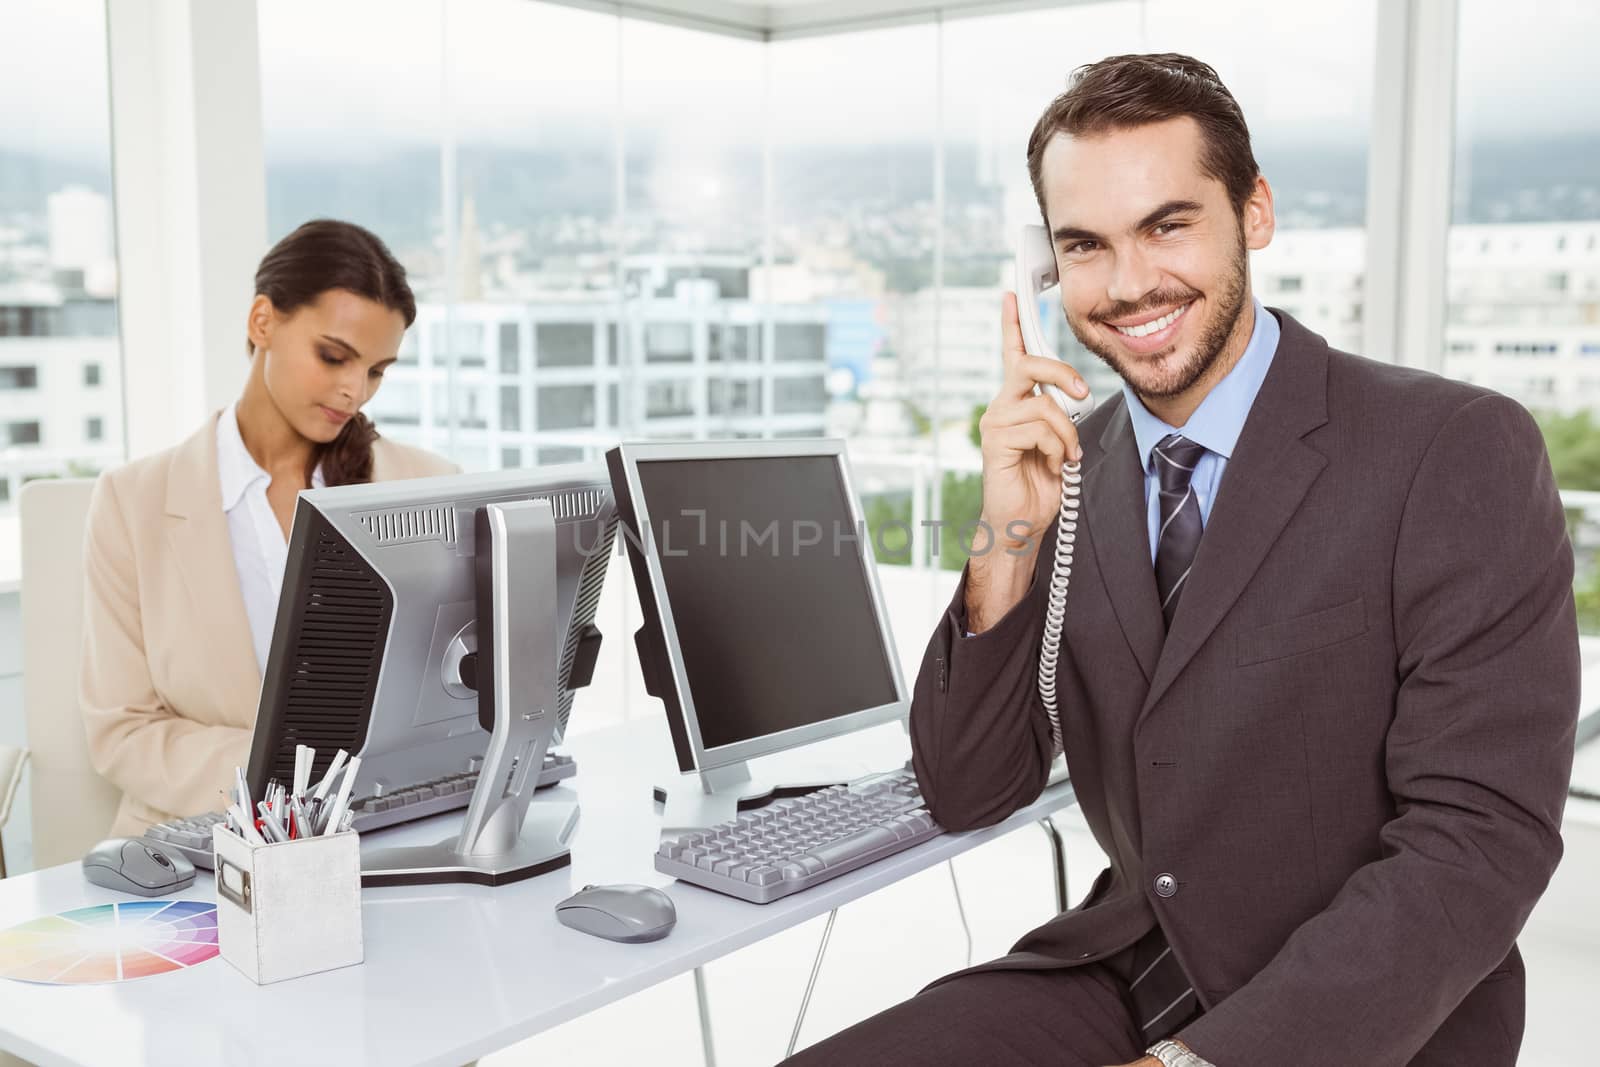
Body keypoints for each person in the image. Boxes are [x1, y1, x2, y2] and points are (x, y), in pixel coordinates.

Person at [786, 54, 1578, 1067]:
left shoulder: (1451, 447)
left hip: (1357, 1017)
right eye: (1084, 245)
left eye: (1166, 225)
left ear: (1253, 213)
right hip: (1123, 965)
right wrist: (1006, 536)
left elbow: (1478, 841)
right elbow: (967, 788)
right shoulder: (1072, 468)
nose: (1126, 285)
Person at [80, 219, 458, 838]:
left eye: (376, 371)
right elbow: (122, 732)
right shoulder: (133, 503)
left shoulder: (427, 486)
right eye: (333, 356)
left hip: (385, 835)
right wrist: (290, 777)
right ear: (263, 322)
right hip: (198, 844)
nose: (352, 390)